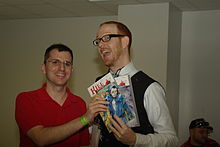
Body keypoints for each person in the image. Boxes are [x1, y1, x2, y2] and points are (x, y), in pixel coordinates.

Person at [90, 21, 179, 147]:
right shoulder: (100, 83)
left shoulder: (149, 87)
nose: (101, 45)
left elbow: (172, 140)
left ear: (125, 42)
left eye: (107, 38)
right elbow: (99, 129)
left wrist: (136, 140)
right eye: (98, 41)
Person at [15, 43, 109, 147]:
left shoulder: (79, 103)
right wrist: (84, 119)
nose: (62, 68)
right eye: (55, 62)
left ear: (71, 70)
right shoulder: (25, 99)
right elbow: (40, 138)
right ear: (44, 68)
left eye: (67, 64)